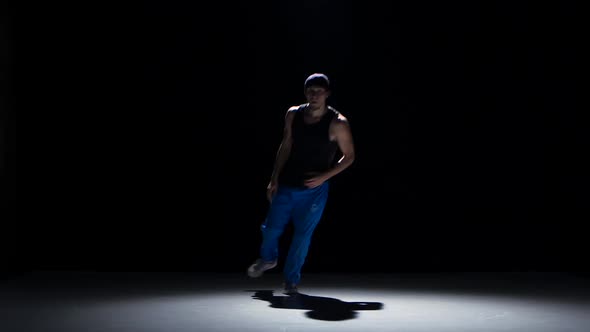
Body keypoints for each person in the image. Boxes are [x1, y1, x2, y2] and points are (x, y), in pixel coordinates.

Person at [247, 73, 356, 295]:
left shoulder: (338, 123)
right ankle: (268, 259)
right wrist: (274, 177)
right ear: (305, 92)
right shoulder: (293, 114)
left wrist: (324, 177)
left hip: (313, 190)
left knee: (302, 236)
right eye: (310, 91)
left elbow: (350, 156)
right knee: (271, 229)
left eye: (318, 91)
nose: (314, 95)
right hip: (287, 183)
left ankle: (291, 280)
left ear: (327, 94)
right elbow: (286, 144)